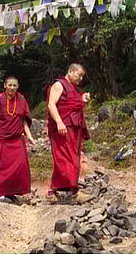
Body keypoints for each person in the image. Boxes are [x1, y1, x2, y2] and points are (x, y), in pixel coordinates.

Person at [0, 76, 36, 204]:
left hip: (17, 138)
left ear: (17, 86)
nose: (12, 88)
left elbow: (23, 120)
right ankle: (2, 193)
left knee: (19, 166)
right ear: (5, 85)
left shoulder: (22, 99)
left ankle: (12, 192)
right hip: (2, 138)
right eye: (10, 85)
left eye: (14, 85)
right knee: (2, 168)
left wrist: (29, 136)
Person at [46, 63, 91, 203]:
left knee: (72, 159)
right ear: (70, 72)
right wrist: (59, 122)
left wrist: (82, 99)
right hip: (63, 128)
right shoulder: (59, 85)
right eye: (79, 75)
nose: (81, 79)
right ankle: (74, 192)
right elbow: (51, 104)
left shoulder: (73, 89)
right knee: (65, 160)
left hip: (74, 129)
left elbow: (72, 105)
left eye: (82, 76)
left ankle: (51, 192)